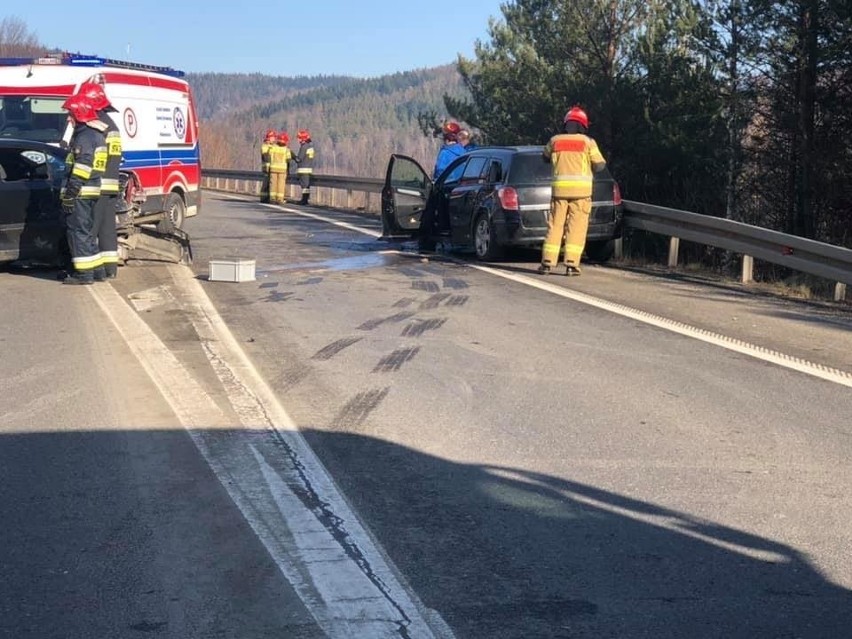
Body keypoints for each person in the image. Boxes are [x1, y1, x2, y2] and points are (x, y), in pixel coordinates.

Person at [538, 106, 606, 276]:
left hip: (559, 192)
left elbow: (544, 158)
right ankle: (571, 265)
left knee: (555, 226)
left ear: (566, 124)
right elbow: (600, 165)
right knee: (576, 228)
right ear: (583, 125)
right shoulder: (588, 142)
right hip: (581, 193)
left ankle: (547, 262)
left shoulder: (555, 141)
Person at [60, 95, 108, 285]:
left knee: (77, 233)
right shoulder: (95, 135)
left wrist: (70, 195)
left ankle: (84, 275)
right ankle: (97, 270)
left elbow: (82, 168)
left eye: (70, 114)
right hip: (91, 191)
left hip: (80, 192)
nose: (67, 118)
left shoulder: (85, 137)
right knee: (86, 232)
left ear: (78, 114)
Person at [77, 81, 121, 280]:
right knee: (107, 228)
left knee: (90, 228)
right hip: (111, 183)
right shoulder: (111, 124)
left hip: (99, 183)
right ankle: (110, 268)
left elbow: (95, 157)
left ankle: (91, 270)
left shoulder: (97, 125)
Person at [268, 131, 291, 204]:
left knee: (273, 183)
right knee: (281, 184)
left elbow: (269, 155)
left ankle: (272, 198)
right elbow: (288, 159)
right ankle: (280, 199)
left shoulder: (273, 147)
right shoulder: (286, 149)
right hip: (282, 169)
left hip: (273, 168)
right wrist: (288, 169)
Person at [293, 129, 315, 204]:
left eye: (299, 138)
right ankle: (305, 199)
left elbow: (299, 159)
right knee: (307, 186)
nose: (298, 140)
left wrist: (293, 156)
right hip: (308, 169)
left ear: (303, 139)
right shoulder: (310, 147)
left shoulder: (304, 147)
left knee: (304, 186)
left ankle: (304, 200)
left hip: (303, 169)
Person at [259, 129, 276, 203]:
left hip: (273, 168)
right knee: (266, 183)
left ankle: (269, 197)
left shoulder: (274, 146)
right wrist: (271, 149)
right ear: (269, 138)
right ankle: (263, 198)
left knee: (271, 183)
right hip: (266, 167)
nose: (274, 139)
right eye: (273, 137)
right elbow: (266, 156)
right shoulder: (264, 146)